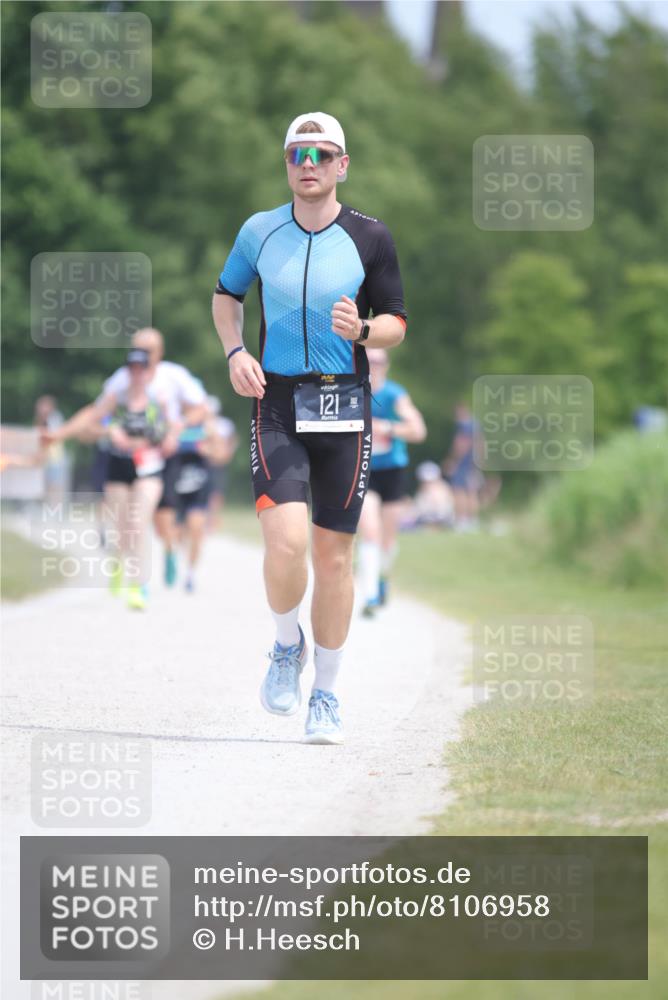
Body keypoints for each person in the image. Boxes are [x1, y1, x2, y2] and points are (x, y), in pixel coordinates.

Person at [212, 112, 407, 744]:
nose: (309, 165)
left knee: (335, 555)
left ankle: (325, 694)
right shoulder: (259, 231)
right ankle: (284, 646)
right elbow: (226, 296)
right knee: (287, 542)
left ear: (342, 165)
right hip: (276, 399)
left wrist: (364, 331)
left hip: (345, 405)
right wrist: (235, 353)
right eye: (299, 154)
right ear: (287, 163)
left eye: (322, 154)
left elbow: (397, 321)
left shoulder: (370, 237)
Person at [45, 328, 208, 583]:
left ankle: (167, 551)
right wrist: (60, 433)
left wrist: (178, 427)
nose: (142, 356)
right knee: (130, 519)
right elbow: (94, 412)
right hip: (129, 457)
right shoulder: (122, 378)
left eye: (148, 351)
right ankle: (128, 570)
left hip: (163, 454)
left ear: (159, 352)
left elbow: (201, 409)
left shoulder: (173, 376)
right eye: (137, 350)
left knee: (163, 518)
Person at [44, 349, 171, 610]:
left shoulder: (159, 400)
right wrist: (110, 430)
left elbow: (168, 433)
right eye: (132, 369)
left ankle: (138, 586)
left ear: (149, 372)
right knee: (122, 527)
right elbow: (89, 425)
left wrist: (154, 440)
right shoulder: (116, 400)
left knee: (138, 523)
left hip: (149, 468)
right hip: (119, 466)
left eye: (142, 369)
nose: (137, 374)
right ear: (128, 371)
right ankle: (117, 561)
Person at [357, 349, 426, 617]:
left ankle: (383, 577)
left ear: (386, 365)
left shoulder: (394, 395)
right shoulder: (353, 391)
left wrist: (388, 428)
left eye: (379, 361)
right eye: (369, 360)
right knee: (370, 531)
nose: (374, 365)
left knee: (388, 539)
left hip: (393, 471)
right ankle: (371, 594)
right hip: (365, 470)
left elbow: (418, 431)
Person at [442, 403, 485, 533]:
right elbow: (481, 443)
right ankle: (472, 520)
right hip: (473, 462)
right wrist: (481, 459)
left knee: (458, 491)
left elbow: (461, 444)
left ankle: (462, 521)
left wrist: (453, 461)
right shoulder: (475, 424)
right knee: (472, 491)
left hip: (463, 463)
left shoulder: (463, 425)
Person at [205, 396, 238, 534]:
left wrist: (228, 454)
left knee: (217, 492)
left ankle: (213, 518)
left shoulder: (224, 424)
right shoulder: (203, 424)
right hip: (204, 462)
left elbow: (232, 440)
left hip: (219, 463)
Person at [33, 396, 68, 503]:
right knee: (46, 487)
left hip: (56, 459)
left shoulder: (55, 418)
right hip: (45, 459)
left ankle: (56, 511)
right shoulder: (40, 420)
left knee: (56, 487)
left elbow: (51, 435)